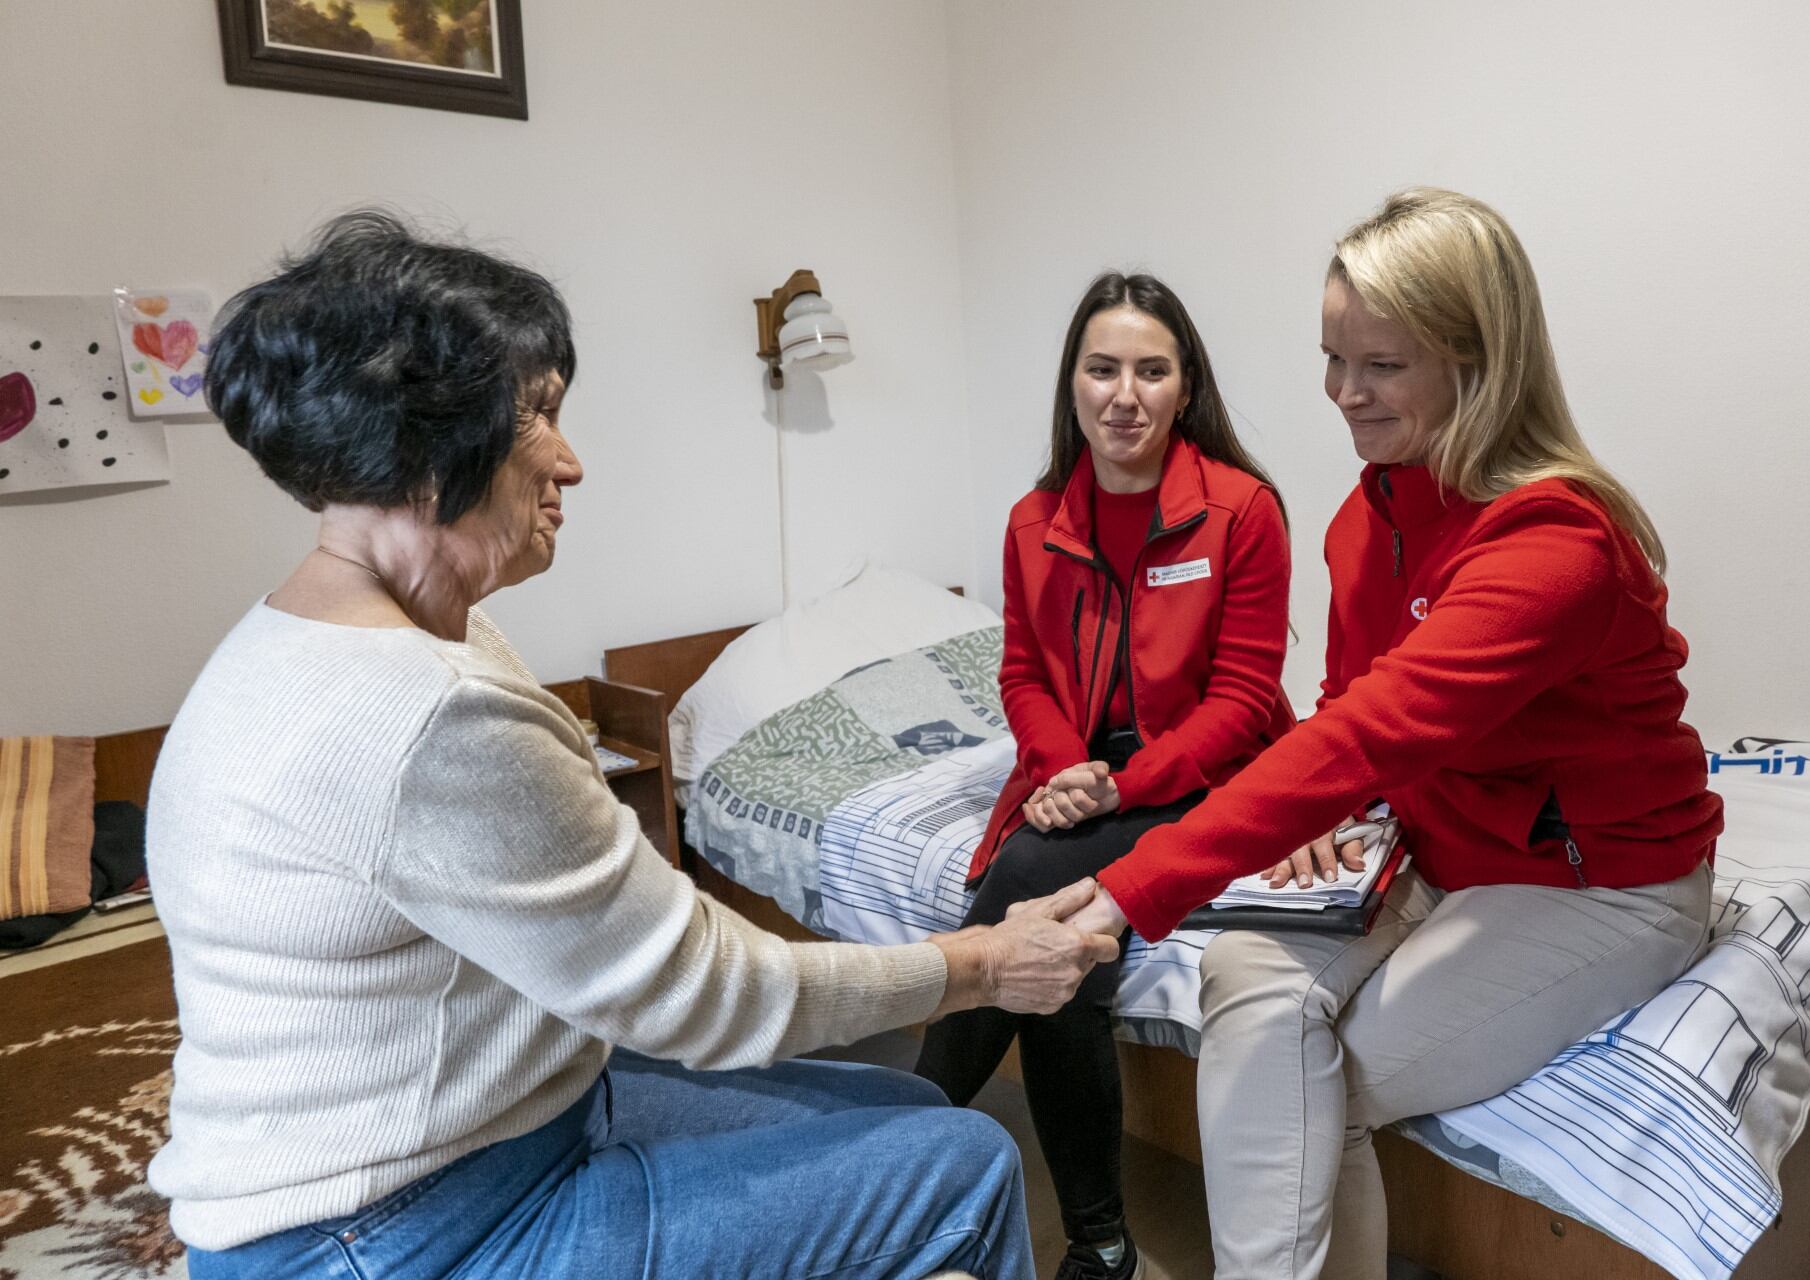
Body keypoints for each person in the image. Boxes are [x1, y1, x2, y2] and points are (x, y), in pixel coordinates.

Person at [145, 211, 1120, 1280]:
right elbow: (697, 985)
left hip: (492, 1124)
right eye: (537, 415)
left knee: (907, 1098)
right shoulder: (429, 709)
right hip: (391, 1224)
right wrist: (982, 963)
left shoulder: (320, 635)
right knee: (965, 1160)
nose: (570, 461)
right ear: (427, 440)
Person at [1063, 190, 1723, 1279]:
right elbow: (1349, 713)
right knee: (1245, 977)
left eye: (1381, 364)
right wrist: (1334, 815)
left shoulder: (1558, 544)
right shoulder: (1368, 517)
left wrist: (1131, 884)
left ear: (1477, 361)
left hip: (1601, 883)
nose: (1343, 394)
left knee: (1319, 1074)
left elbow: (1375, 727)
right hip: (1444, 848)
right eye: (1333, 358)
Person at [915, 272, 1294, 1280]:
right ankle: (1101, 1238)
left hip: (1208, 777)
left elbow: (1246, 699)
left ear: (1184, 386)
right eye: (1102, 367)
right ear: (1073, 384)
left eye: (1151, 369)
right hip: (1081, 777)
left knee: (1031, 880)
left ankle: (903, 1133)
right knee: (1064, 941)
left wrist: (1119, 789)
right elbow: (1023, 669)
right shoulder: (1035, 518)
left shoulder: (1240, 511)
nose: (1124, 392)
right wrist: (1059, 767)